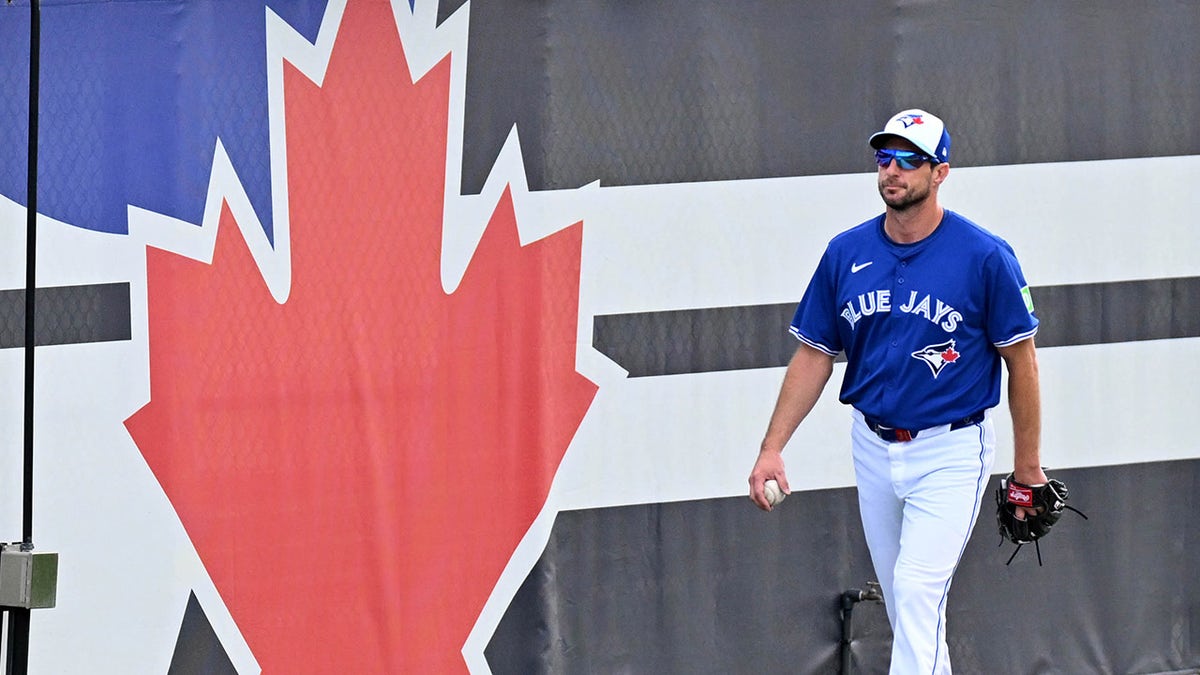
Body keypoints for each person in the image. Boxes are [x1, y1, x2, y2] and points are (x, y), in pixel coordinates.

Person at [748, 109, 1046, 674]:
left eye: (911, 159)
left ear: (941, 173)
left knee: (913, 593)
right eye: (885, 156)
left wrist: (1026, 465)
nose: (894, 169)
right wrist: (772, 447)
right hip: (873, 446)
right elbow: (815, 353)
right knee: (911, 608)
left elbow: (1021, 362)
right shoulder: (845, 252)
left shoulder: (984, 256)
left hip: (950, 449)